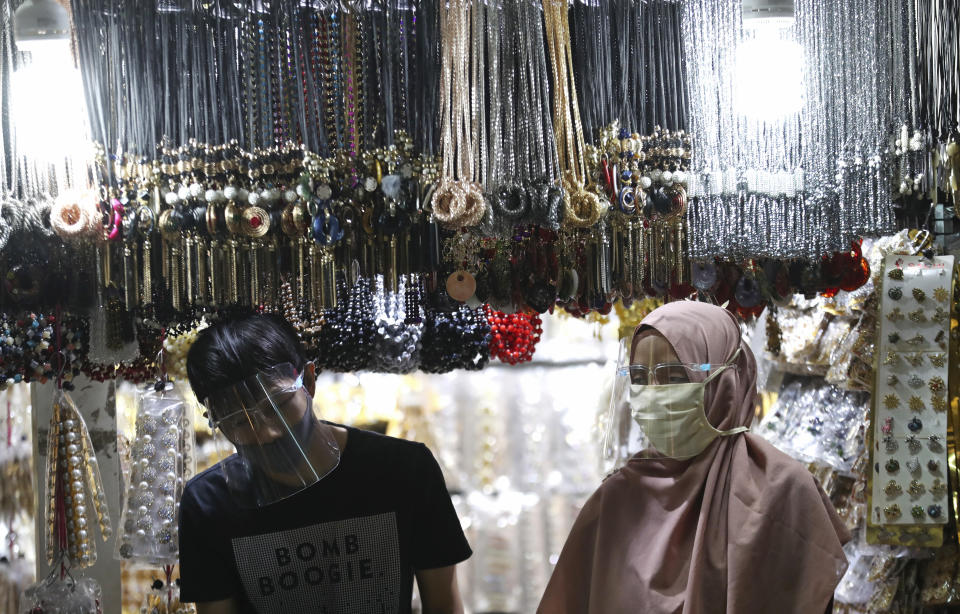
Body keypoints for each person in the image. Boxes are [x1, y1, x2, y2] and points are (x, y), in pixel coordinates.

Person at [538, 301, 850, 614]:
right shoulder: (618, 499)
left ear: (727, 383)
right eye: (640, 378)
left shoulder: (782, 492)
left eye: (674, 378)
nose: (654, 393)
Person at [178, 313, 471, 614]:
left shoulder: (404, 470)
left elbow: (444, 604)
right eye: (238, 421)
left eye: (278, 405)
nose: (266, 433)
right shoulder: (209, 503)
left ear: (308, 380)